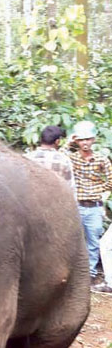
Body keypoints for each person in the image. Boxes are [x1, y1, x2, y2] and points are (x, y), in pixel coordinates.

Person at [67, 120, 112, 290]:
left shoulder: (101, 159)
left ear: (93, 139)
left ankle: (90, 275)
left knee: (93, 242)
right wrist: (69, 142)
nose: (85, 143)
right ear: (77, 141)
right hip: (76, 205)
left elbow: (110, 178)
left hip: (94, 206)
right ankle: (73, 275)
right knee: (73, 240)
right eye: (81, 140)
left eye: (87, 139)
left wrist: (99, 190)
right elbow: (58, 157)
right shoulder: (72, 158)